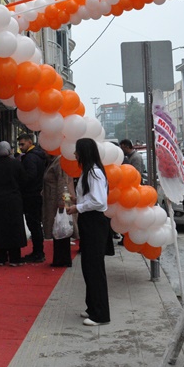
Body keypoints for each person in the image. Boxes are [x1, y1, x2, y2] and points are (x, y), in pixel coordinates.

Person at [66, 138, 110, 326]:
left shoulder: (94, 173)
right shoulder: (88, 172)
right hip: (89, 221)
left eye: (77, 151)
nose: (74, 154)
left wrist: (78, 207)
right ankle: (92, 306)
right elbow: (91, 197)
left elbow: (99, 201)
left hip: (94, 222)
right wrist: (78, 201)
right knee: (88, 266)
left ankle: (101, 314)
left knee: (94, 268)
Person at [18, 133, 48, 263]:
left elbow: (30, 175)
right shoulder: (38, 156)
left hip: (31, 195)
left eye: (22, 144)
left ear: (30, 142)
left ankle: (38, 252)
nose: (20, 147)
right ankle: (38, 251)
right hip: (35, 193)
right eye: (19, 144)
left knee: (33, 224)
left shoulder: (30, 158)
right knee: (35, 224)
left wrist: (21, 182)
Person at [42, 155, 76, 267]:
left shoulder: (59, 162)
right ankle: (60, 258)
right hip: (56, 200)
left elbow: (63, 184)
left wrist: (63, 203)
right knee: (59, 228)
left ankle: (62, 259)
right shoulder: (55, 161)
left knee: (61, 228)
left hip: (57, 201)